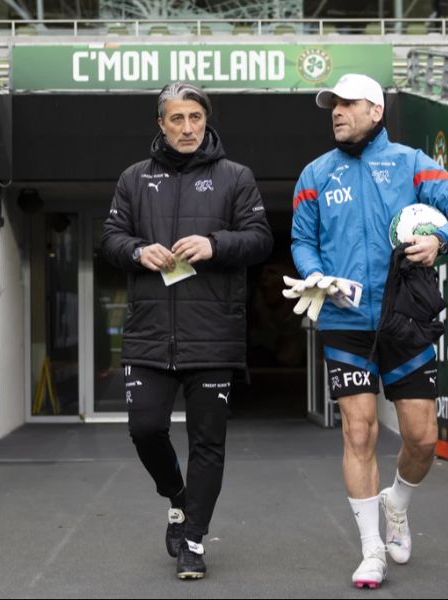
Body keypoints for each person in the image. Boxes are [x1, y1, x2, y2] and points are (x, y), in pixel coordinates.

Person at [289, 73, 448, 589]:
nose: (336, 111)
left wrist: (440, 241)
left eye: (348, 103)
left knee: (422, 439)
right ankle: (371, 550)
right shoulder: (314, 173)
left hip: (406, 317)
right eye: (332, 104)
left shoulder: (413, 164)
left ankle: (396, 501)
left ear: (376, 111)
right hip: (345, 321)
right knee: (358, 432)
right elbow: (302, 239)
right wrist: (314, 273)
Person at [100, 82, 273, 580]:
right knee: (145, 429)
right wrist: (137, 251)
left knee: (208, 444)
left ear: (207, 119)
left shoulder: (235, 177)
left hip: (212, 334)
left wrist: (215, 244)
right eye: (177, 118)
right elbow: (110, 238)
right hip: (149, 333)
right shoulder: (134, 179)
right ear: (161, 123)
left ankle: (193, 541)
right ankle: (176, 495)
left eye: (195, 117)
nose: (187, 128)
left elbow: (260, 238)